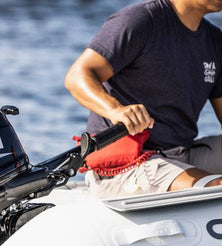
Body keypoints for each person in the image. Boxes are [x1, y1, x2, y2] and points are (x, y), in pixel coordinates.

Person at [65, 0, 222, 198]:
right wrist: (115, 110)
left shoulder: (215, 41)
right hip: (127, 165)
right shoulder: (140, 20)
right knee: (217, 187)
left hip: (181, 155)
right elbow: (77, 76)